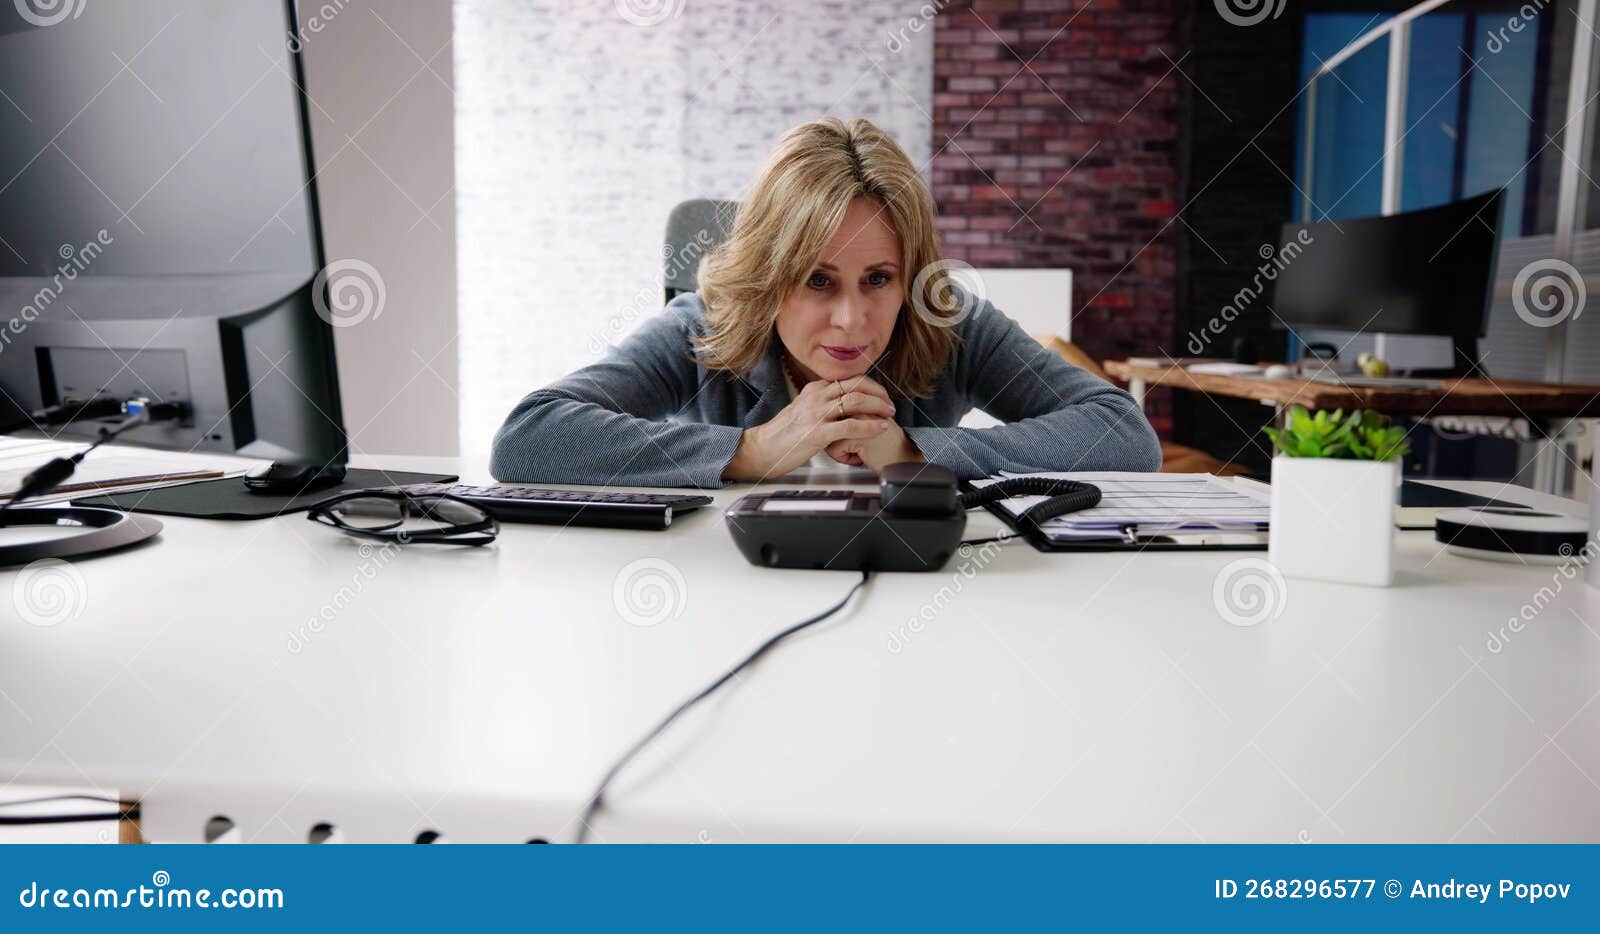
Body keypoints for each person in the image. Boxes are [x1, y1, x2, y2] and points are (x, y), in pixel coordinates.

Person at [490, 117, 1161, 488]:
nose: (852, 320)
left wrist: (917, 452)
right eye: (816, 281)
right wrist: (750, 451)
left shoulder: (946, 320)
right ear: (766, 275)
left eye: (878, 279)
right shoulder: (705, 324)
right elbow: (527, 441)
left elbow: (1126, 436)